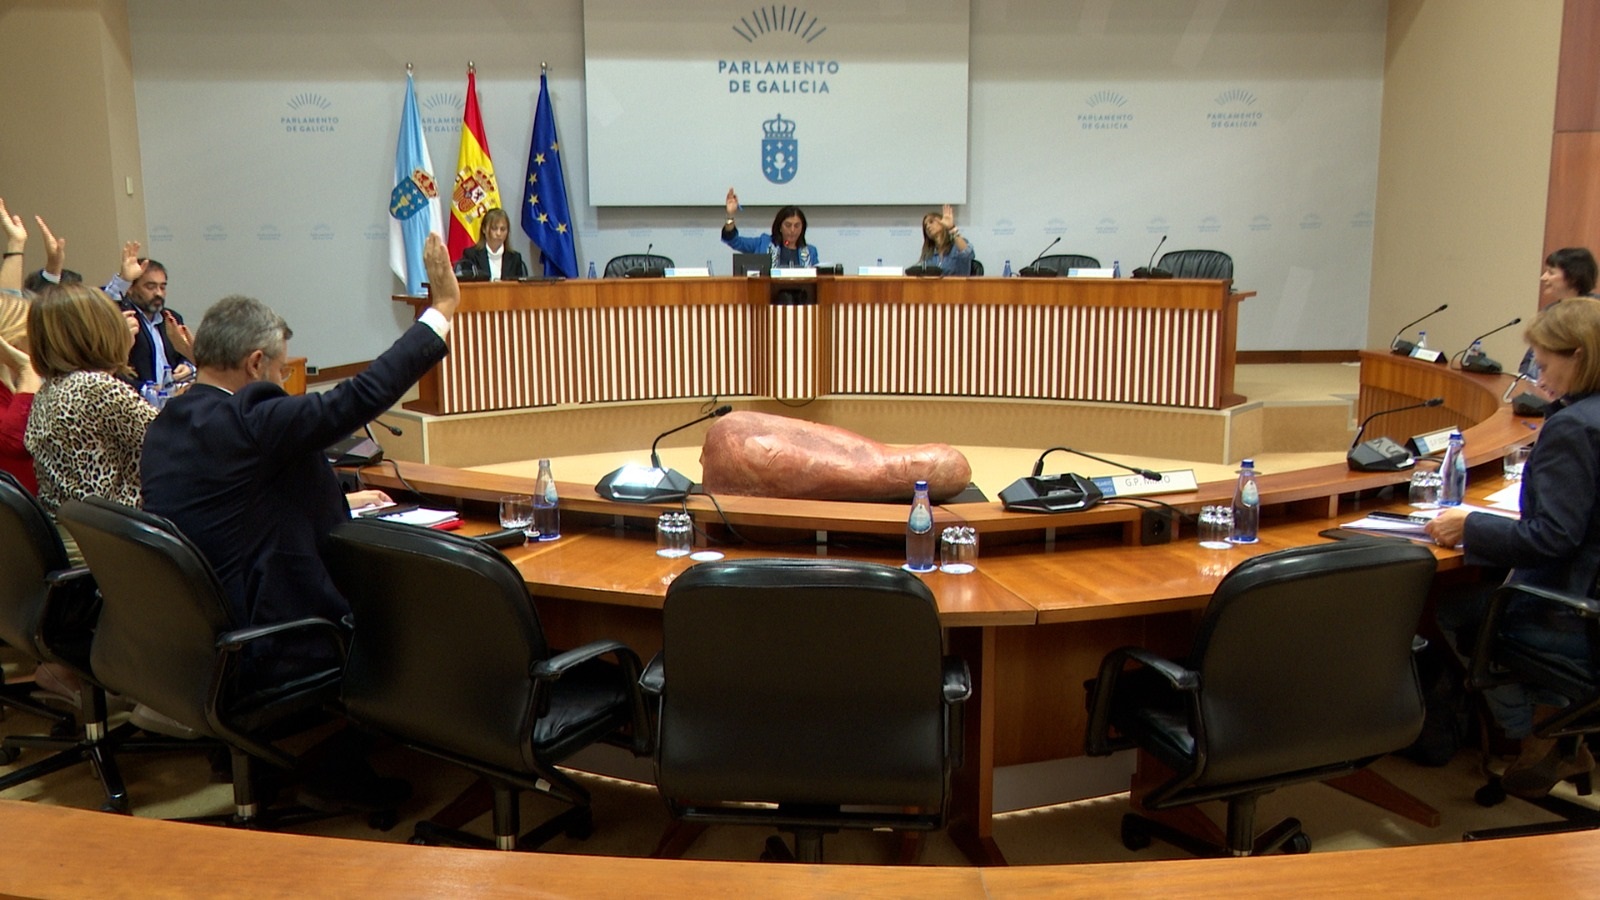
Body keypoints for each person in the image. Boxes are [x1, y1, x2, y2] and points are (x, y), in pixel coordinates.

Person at [140, 232, 457, 690]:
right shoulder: (248, 420)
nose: (283, 380)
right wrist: (441, 309)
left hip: (195, 647)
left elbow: (245, 495)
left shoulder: (168, 422)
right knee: (426, 606)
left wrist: (345, 497)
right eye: (281, 370)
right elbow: (357, 397)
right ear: (255, 364)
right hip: (273, 648)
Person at [1427, 297, 1600, 798]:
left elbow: (1552, 538)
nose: (1539, 377)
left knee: (1451, 610)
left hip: (1575, 615)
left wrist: (1470, 526)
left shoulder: (1575, 427)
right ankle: (1561, 724)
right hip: (1589, 598)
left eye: (1544, 365)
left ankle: (1536, 736)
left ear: (1579, 355)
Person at [23, 283, 155, 545]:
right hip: (107, 542)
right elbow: (172, 443)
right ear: (99, 331)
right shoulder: (95, 387)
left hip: (67, 535)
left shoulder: (50, 389)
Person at [102, 243, 194, 386]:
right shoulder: (122, 317)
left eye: (162, 287)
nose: (158, 293)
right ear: (131, 288)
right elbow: (100, 307)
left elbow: (181, 354)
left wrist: (187, 365)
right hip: (134, 395)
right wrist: (123, 280)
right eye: (150, 287)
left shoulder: (172, 318)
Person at [1519, 247, 1598, 384]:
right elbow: (1532, 355)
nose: (1543, 277)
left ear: (1573, 277)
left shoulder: (1594, 312)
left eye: (1551, 272)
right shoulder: (1549, 311)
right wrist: (1523, 378)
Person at [721, 188, 819, 267]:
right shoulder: (762, 244)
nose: (793, 230)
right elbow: (733, 240)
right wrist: (730, 215)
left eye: (797, 226)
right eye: (788, 225)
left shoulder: (810, 252)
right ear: (780, 227)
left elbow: (818, 279)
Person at [454, 207, 528, 281]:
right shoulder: (471, 256)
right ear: (484, 229)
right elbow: (468, 285)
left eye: (503, 229)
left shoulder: (515, 258)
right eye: (494, 228)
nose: (498, 233)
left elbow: (519, 286)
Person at [914, 204, 975, 275]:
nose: (928, 226)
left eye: (931, 222)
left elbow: (968, 254)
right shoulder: (929, 253)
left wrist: (951, 228)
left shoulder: (957, 245)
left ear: (942, 223)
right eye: (925, 225)